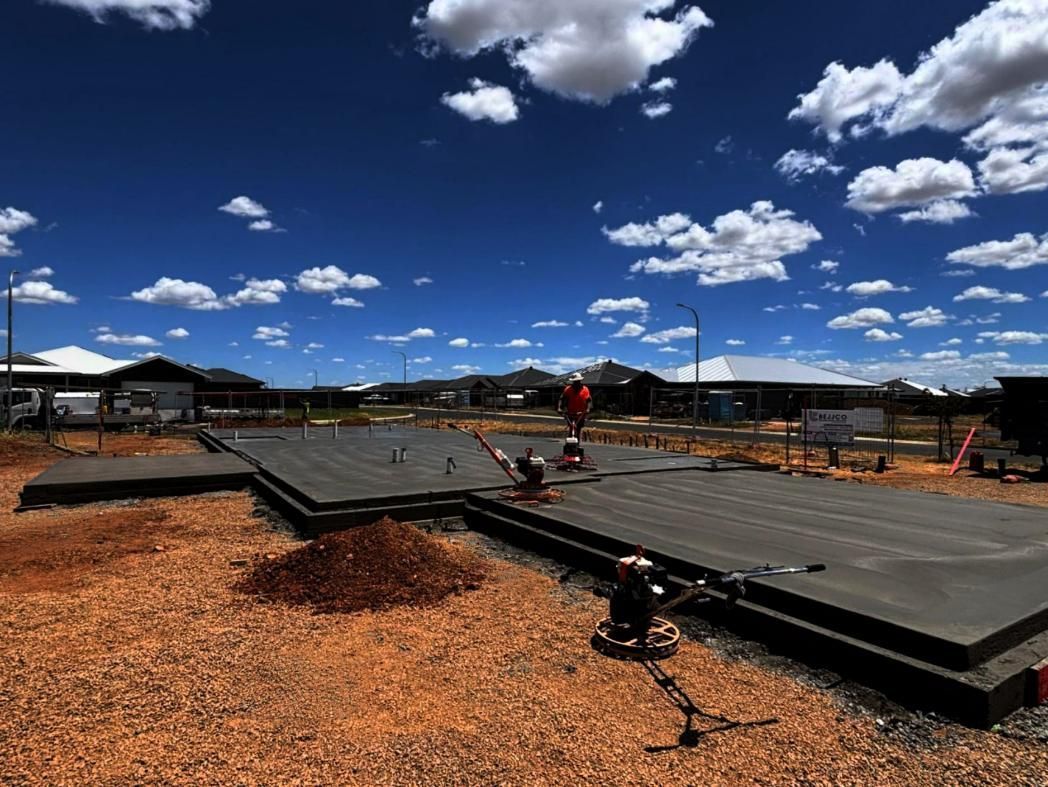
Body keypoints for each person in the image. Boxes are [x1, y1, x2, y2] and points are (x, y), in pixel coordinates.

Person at [557, 372, 591, 440]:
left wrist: (588, 409)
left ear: (580, 381)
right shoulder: (568, 389)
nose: (576, 383)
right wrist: (559, 408)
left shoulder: (585, 389)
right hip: (570, 413)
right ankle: (570, 443)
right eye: (575, 381)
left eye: (577, 381)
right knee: (571, 427)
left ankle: (577, 444)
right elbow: (561, 398)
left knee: (578, 428)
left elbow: (589, 400)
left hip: (581, 413)